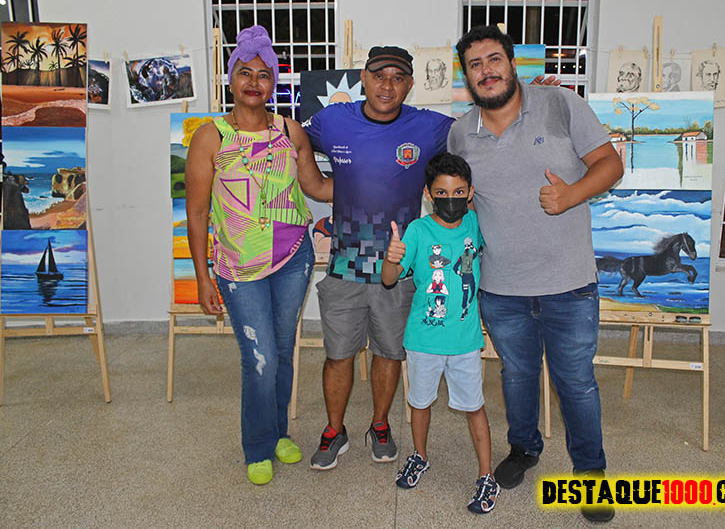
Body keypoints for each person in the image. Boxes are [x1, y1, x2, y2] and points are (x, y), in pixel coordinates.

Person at [302, 45, 562, 471]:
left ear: (409, 85)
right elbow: (291, 137)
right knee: (338, 355)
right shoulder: (333, 120)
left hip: (401, 269)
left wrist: (525, 96)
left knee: (389, 354)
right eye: (379, 75)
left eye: (398, 78)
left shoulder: (430, 127)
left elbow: (485, 122)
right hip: (345, 266)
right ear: (363, 78)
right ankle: (334, 430)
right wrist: (319, 183)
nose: (387, 85)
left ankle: (380, 425)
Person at [447, 25, 623, 523]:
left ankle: (590, 475)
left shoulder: (560, 104)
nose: (486, 70)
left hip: (570, 284)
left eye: (494, 59)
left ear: (512, 63)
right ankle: (524, 448)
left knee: (576, 383)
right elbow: (460, 201)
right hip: (501, 289)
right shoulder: (461, 133)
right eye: (475, 64)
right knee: (518, 376)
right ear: (468, 76)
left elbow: (610, 164)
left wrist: (571, 194)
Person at [185, 25, 331, 486]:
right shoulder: (210, 137)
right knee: (260, 357)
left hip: (292, 258)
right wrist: (204, 277)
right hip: (238, 266)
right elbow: (198, 214)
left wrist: (374, 181)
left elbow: (315, 186)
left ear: (274, 84)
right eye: (244, 72)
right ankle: (257, 445)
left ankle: (279, 432)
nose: (253, 82)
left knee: (283, 351)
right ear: (231, 79)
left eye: (263, 75)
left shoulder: (290, 131)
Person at [382, 152, 498, 514]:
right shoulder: (417, 231)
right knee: (419, 402)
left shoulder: (476, 223)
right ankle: (419, 455)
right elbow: (389, 279)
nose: (451, 199)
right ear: (428, 194)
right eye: (442, 193)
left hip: (465, 342)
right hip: (423, 340)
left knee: (474, 406)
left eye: (459, 192)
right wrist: (391, 257)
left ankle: (486, 475)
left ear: (470, 192)